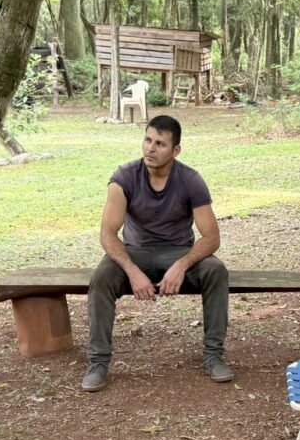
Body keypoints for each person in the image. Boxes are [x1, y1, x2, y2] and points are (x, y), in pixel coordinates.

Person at [83, 115, 231, 392]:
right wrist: (132, 271)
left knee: (215, 270)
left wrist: (182, 265)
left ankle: (214, 356)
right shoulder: (124, 177)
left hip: (177, 252)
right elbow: (107, 234)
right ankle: (98, 363)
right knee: (102, 277)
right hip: (135, 253)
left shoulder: (190, 180)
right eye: (148, 140)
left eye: (160, 144)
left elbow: (211, 237)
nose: (151, 148)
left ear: (175, 150)